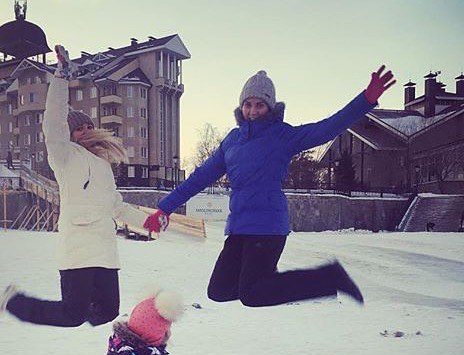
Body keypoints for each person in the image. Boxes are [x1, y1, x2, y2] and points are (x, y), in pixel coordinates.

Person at [144, 66, 397, 307]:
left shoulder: (282, 136)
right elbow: (200, 177)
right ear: (241, 106)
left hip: (267, 228)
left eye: (259, 105)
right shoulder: (232, 141)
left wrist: (366, 99)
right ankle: (268, 281)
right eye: (248, 104)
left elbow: (327, 127)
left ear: (270, 107)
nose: (253, 111)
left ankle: (329, 278)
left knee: (252, 295)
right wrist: (165, 208)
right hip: (239, 228)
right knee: (218, 291)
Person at [0, 44, 143, 327]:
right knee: (73, 316)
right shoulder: (64, 155)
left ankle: (87, 316)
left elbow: (116, 206)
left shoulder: (103, 163)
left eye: (86, 127)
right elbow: (54, 122)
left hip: (105, 249)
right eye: (77, 129)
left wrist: (151, 222)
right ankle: (14, 302)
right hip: (78, 248)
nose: (83, 132)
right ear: (69, 134)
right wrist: (61, 78)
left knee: (107, 312)